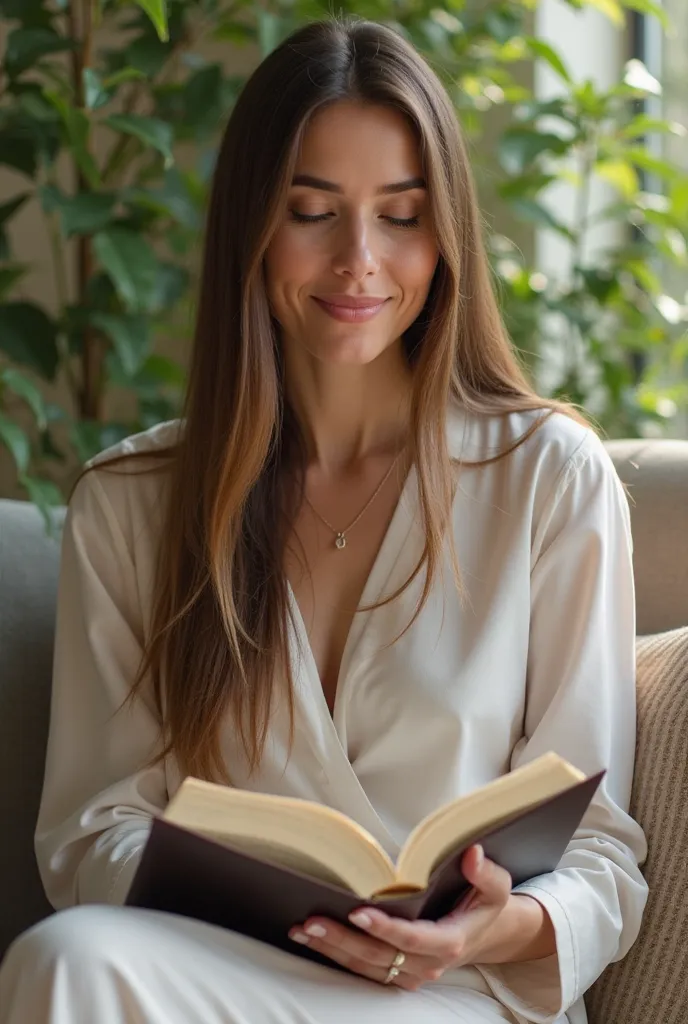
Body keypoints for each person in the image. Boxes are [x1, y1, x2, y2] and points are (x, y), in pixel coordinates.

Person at [0, 16, 647, 1024]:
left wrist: (487, 928)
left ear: (445, 236)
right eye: (311, 210)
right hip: (225, 969)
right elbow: (91, 831)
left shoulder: (546, 478)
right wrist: (268, 912)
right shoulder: (132, 504)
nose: (358, 260)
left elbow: (600, 853)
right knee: (66, 962)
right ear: (252, 229)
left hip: (450, 992)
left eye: (400, 215)